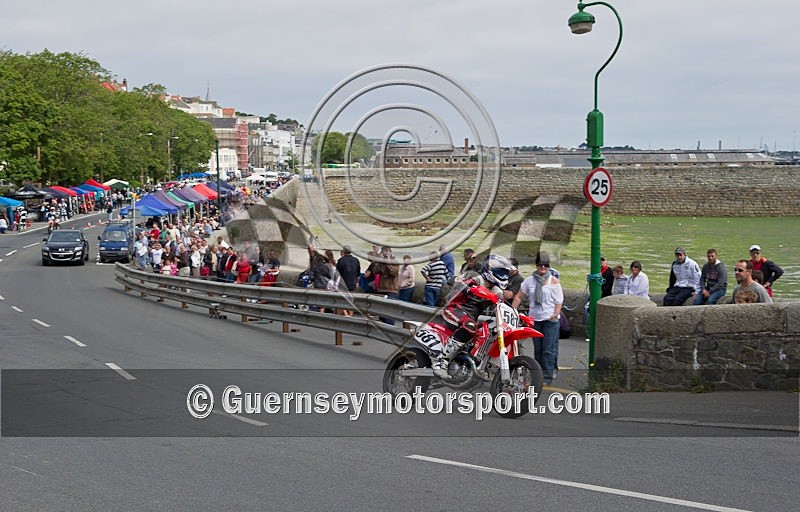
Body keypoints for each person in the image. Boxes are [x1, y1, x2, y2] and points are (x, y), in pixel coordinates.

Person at [432, 254, 514, 378]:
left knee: (489, 331)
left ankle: (478, 363)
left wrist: (517, 315)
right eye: (500, 273)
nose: (503, 277)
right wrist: (467, 288)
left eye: (505, 274)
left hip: (471, 318)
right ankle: (441, 362)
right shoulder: (475, 278)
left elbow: (502, 307)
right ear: (490, 270)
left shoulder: (497, 291)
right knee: (469, 326)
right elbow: (452, 280)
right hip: (455, 310)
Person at [511, 252, 563, 386]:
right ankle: (538, 375)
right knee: (538, 350)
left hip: (549, 320)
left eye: (546, 266)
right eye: (540, 265)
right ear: (536, 265)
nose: (543, 268)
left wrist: (555, 314)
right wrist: (512, 310)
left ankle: (547, 377)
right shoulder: (529, 281)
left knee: (548, 349)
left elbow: (558, 301)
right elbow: (519, 296)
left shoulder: (553, 281)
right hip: (535, 319)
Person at [373, 246, 400, 324]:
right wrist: (379, 262)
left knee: (389, 313)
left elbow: (394, 273)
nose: (386, 254)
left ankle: (390, 329)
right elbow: (374, 272)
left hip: (391, 289)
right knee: (382, 313)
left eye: (387, 252)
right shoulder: (381, 262)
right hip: (381, 289)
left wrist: (388, 263)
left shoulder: (395, 261)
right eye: (384, 252)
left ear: (390, 253)